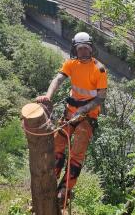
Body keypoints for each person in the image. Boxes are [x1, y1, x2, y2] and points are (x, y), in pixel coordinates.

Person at [36, 32, 108, 200]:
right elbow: (57, 80)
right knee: (58, 144)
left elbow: (101, 97)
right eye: (80, 48)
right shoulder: (71, 64)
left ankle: (65, 189)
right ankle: (52, 177)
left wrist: (83, 111)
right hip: (70, 111)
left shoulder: (99, 69)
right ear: (75, 49)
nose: (83, 51)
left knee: (77, 152)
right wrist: (48, 96)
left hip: (88, 115)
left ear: (91, 49)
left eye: (86, 48)